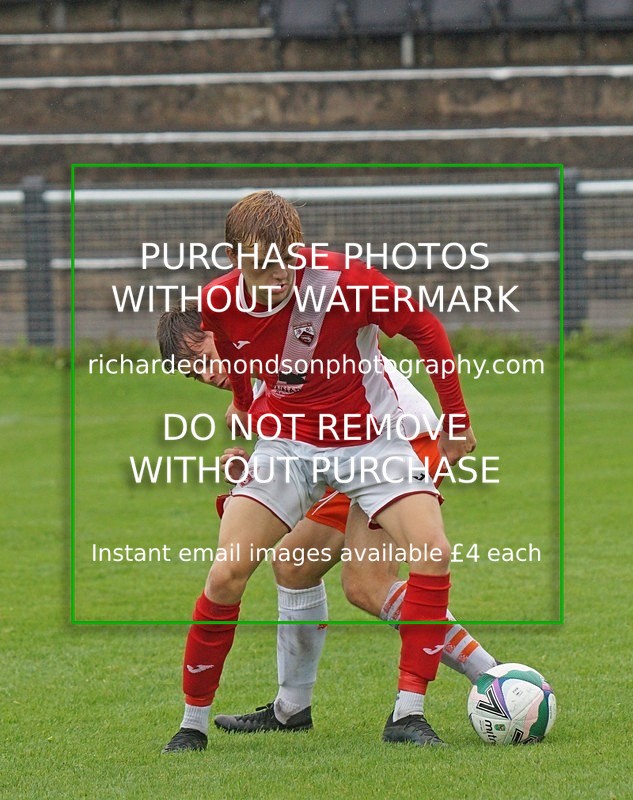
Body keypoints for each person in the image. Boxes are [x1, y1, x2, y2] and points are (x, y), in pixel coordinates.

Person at [158, 190, 477, 752]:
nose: (275, 277)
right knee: (232, 571)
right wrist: (247, 413)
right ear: (235, 260)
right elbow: (235, 358)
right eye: (260, 266)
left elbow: (425, 326)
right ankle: (193, 725)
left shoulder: (343, 281)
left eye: (283, 262)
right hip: (289, 443)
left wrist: (458, 418)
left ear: (297, 250)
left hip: (373, 439)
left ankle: (411, 713)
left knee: (427, 554)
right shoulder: (217, 301)